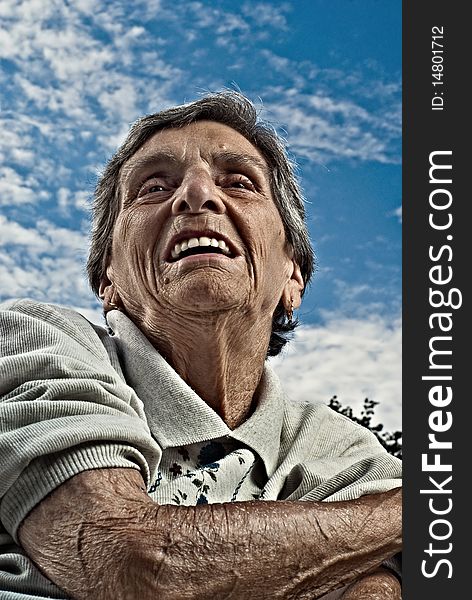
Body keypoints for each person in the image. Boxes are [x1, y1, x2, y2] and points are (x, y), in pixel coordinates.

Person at [0, 91, 402, 599]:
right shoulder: (34, 341)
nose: (197, 196)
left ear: (291, 277)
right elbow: (134, 566)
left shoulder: (343, 452)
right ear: (107, 278)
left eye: (239, 182)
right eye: (152, 187)